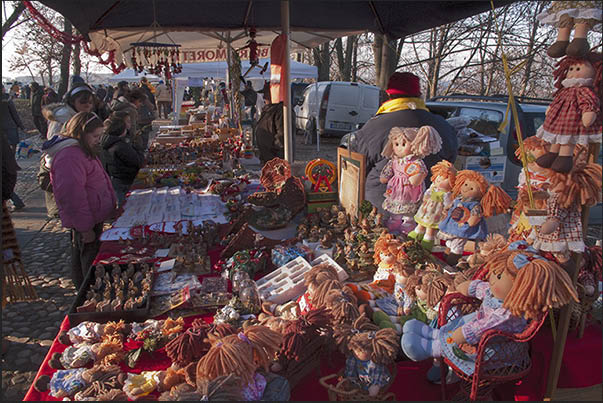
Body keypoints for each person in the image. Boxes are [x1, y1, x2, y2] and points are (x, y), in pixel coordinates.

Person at [348, 72, 458, 215]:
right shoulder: (443, 125)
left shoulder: (374, 126)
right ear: (419, 96)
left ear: (389, 96)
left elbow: (356, 168)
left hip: (380, 210)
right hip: (430, 209)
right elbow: (450, 163)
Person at [50, 111, 117, 288]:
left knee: (90, 254)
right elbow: (72, 197)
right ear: (81, 132)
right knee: (86, 257)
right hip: (85, 220)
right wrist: (84, 228)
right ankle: (87, 291)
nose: (98, 140)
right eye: (95, 136)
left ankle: (90, 286)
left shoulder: (82, 150)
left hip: (93, 215)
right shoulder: (70, 157)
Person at [41, 84, 95, 218]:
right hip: (67, 168)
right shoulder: (62, 118)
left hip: (81, 166)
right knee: (76, 214)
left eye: (90, 101)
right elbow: (54, 148)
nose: (87, 105)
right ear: (73, 102)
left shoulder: (83, 115)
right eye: (83, 101)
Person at [101, 116, 145, 207]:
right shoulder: (120, 146)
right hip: (125, 180)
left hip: (116, 178)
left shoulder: (106, 141)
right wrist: (138, 148)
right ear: (122, 130)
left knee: (122, 203)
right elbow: (138, 161)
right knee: (127, 206)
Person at [1, 87, 26, 211]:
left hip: (5, 131)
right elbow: (14, 114)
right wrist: (21, 126)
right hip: (10, 129)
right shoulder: (7, 99)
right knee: (8, 160)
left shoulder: (7, 99)